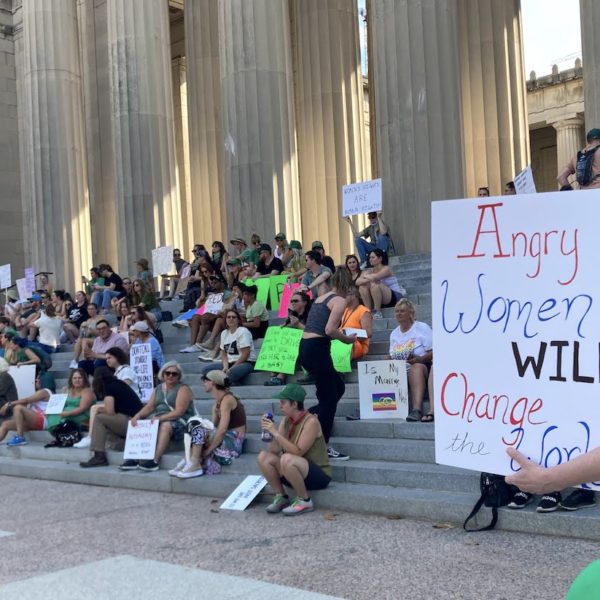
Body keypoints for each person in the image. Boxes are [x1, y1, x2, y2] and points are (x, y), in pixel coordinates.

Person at [298, 267, 356, 461]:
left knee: (337, 387)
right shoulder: (338, 301)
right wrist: (348, 340)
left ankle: (307, 416)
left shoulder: (322, 297)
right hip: (317, 348)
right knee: (329, 398)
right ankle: (323, 445)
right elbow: (330, 329)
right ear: (347, 287)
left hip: (307, 347)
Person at [257, 383, 331, 516]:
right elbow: (274, 450)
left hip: (318, 474)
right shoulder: (286, 420)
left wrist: (277, 433)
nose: (280, 406)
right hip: (294, 469)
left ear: (295, 404)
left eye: (283, 402)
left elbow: (298, 452)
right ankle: (281, 497)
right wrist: (268, 432)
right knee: (263, 457)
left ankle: (304, 500)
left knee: (287, 458)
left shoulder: (311, 421)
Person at [120, 361, 194, 471]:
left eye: (174, 374)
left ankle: (155, 460)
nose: (170, 375)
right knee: (138, 424)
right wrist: (137, 416)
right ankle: (135, 457)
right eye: (167, 373)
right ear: (163, 374)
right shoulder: (158, 388)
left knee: (165, 425)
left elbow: (179, 411)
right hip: (160, 419)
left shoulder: (183, 389)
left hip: (180, 421)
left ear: (179, 376)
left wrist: (160, 418)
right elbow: (150, 407)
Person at [171, 370, 246, 479]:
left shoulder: (227, 399)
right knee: (194, 424)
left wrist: (208, 450)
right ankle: (191, 460)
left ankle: (194, 463)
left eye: (205, 381)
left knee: (196, 425)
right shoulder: (217, 403)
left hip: (233, 440)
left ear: (213, 383)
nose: (203, 384)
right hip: (224, 437)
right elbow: (212, 427)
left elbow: (222, 430)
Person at [79, 366, 143, 468]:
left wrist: (99, 410)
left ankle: (99, 456)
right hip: (135, 421)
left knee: (99, 418)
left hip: (132, 421)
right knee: (102, 427)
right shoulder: (118, 384)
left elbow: (110, 411)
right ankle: (126, 445)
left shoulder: (109, 387)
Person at [389, 298, 433, 423]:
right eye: (396, 311)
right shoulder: (394, 334)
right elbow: (392, 354)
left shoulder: (421, 328)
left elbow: (434, 351)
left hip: (422, 365)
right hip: (400, 368)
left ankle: (417, 410)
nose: (398, 314)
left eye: (402, 311)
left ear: (411, 313)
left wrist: (419, 359)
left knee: (416, 368)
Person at [264, 290, 312, 386]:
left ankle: (281, 377)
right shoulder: (292, 315)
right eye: (292, 301)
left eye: (296, 301)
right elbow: (288, 330)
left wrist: (298, 324)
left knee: (290, 347)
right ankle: (274, 373)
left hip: (308, 344)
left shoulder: (311, 315)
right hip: (295, 342)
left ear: (305, 302)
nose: (293, 303)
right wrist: (284, 327)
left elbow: (312, 332)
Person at [199, 309, 256, 384]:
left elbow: (245, 354)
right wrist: (225, 367)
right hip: (229, 363)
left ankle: (221, 382)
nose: (231, 319)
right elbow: (223, 354)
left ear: (238, 320)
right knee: (205, 370)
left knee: (231, 373)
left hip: (246, 362)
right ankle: (223, 380)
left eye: (233, 317)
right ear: (225, 320)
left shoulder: (243, 331)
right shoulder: (224, 333)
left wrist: (233, 367)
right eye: (228, 317)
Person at [0, 370, 52, 444]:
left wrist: (9, 404)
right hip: (33, 421)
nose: (36, 380)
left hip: (43, 420)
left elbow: (27, 400)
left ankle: (20, 437)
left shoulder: (45, 391)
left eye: (38, 378)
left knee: (18, 408)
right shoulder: (38, 392)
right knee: (5, 424)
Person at [356, 249, 404, 319]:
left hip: (394, 297)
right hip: (379, 298)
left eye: (373, 257)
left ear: (380, 258)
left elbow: (375, 277)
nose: (370, 259)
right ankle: (368, 312)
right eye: (370, 257)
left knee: (375, 284)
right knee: (362, 287)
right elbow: (357, 282)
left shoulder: (386, 269)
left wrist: (365, 277)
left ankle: (378, 312)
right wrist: (368, 277)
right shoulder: (369, 271)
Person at [340, 286, 372, 360]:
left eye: (345, 295)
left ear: (354, 296)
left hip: (358, 344)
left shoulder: (364, 311)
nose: (343, 297)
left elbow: (369, 333)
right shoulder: (344, 310)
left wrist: (350, 336)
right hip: (345, 340)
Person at [69, 302, 102, 368]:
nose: (90, 311)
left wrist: (88, 328)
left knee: (84, 340)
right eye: (89, 309)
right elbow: (83, 334)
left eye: (92, 309)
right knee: (80, 340)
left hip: (99, 339)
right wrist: (82, 329)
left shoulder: (100, 319)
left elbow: (101, 333)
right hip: (89, 339)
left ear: (96, 310)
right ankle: (75, 360)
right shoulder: (88, 320)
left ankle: (85, 359)